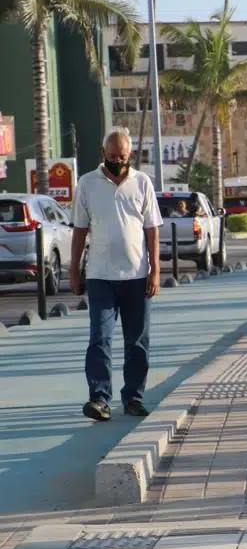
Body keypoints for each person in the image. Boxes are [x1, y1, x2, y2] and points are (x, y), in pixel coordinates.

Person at [70, 127, 162, 421]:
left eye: (122, 156)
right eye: (112, 156)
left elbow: (152, 230)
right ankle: (99, 399)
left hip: (137, 276)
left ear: (130, 154)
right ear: (103, 153)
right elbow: (80, 231)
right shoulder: (87, 184)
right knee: (100, 338)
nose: (117, 161)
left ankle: (134, 397)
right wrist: (74, 270)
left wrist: (155, 270)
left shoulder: (143, 183)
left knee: (137, 342)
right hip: (100, 277)